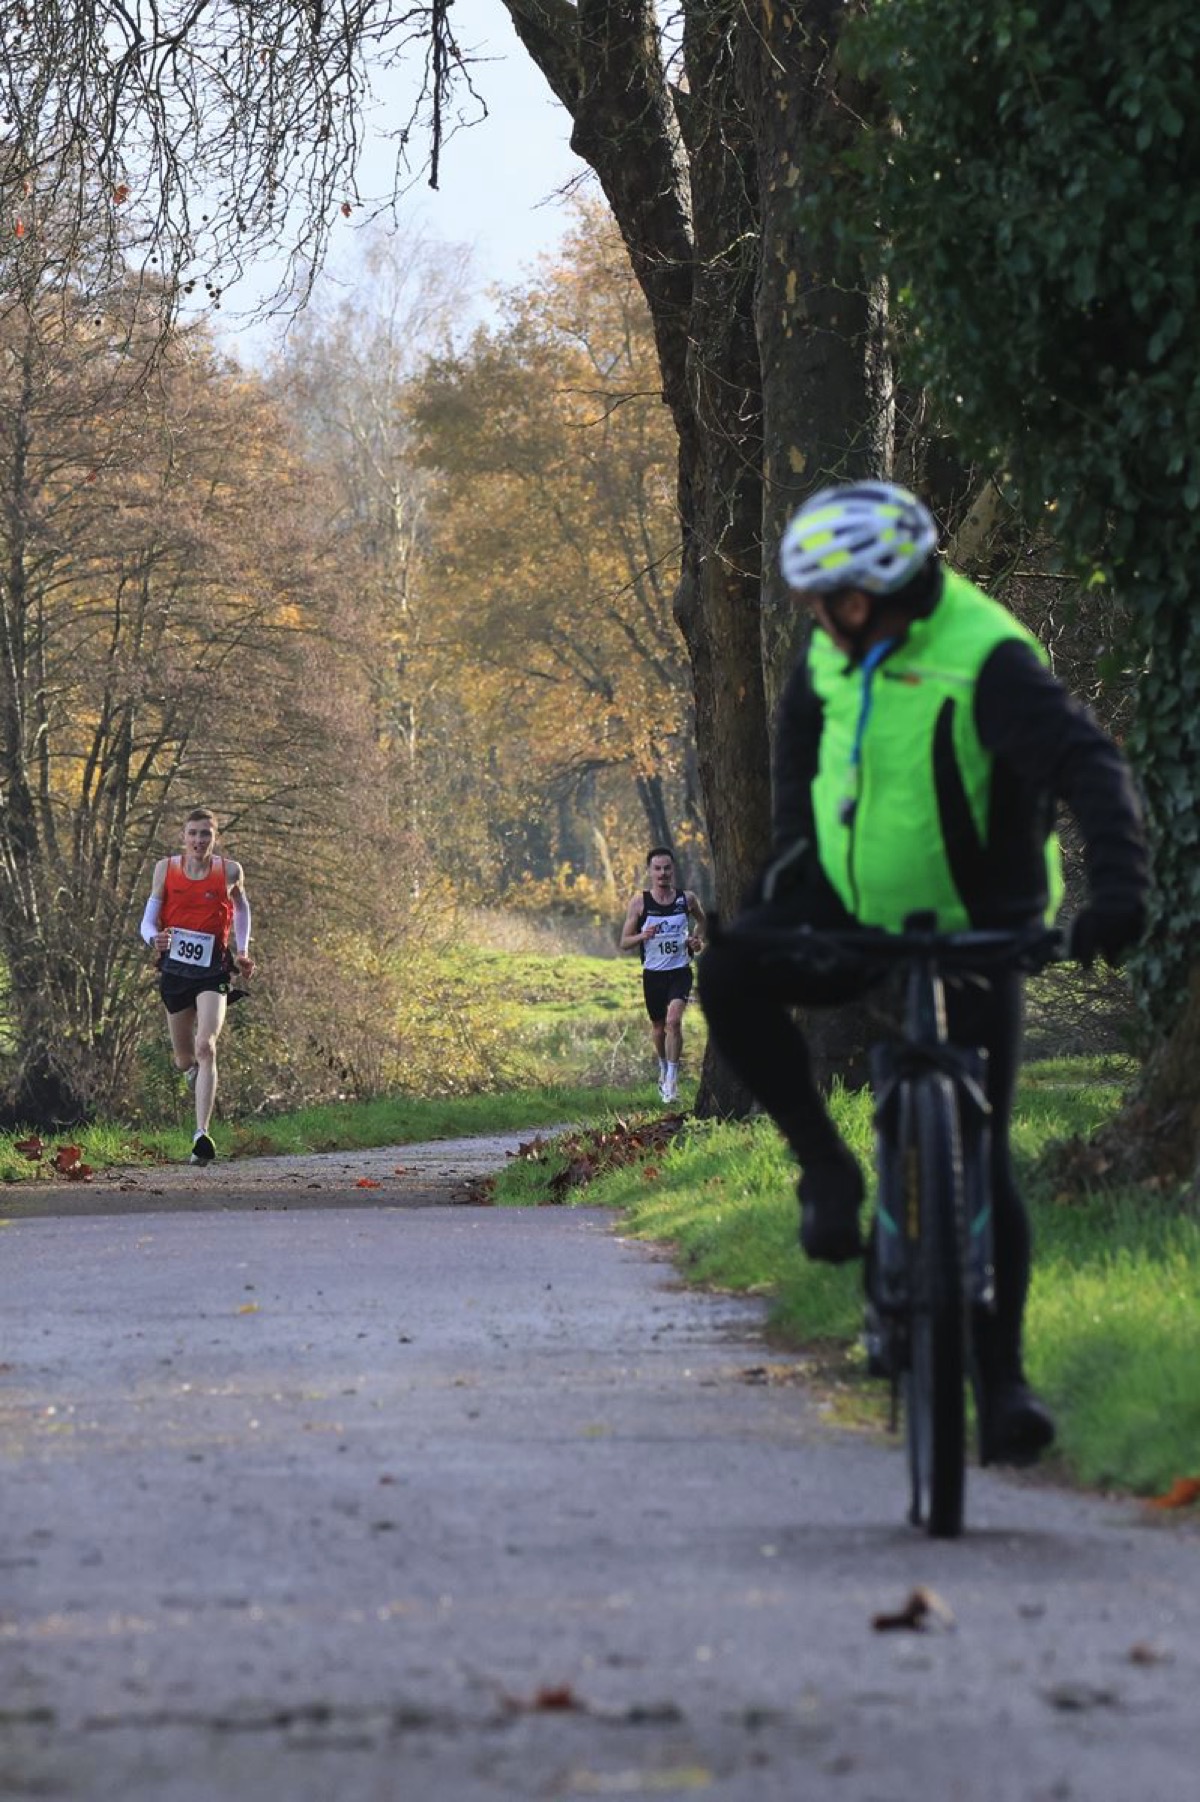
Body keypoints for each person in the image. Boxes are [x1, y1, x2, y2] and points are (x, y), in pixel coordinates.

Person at [698, 481, 1150, 1465]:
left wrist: (1118, 893)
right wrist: (788, 886)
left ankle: (1005, 1382)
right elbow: (800, 780)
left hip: (981, 923)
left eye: (829, 599)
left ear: (876, 593)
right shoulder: (828, 651)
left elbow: (1089, 766)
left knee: (981, 1152)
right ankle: (825, 1164)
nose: (816, 617)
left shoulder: (986, 656)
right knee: (728, 973)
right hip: (850, 906)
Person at [140, 808, 256, 1165]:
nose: (199, 840)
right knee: (184, 1059)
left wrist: (242, 951)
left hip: (213, 971)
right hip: (175, 971)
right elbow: (147, 922)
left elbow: (242, 908)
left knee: (207, 1047)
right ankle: (192, 1071)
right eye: (193, 833)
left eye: (205, 834)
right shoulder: (165, 869)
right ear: (183, 836)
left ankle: (201, 1135)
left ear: (214, 837)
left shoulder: (230, 871)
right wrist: (154, 939)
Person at [620, 848, 707, 1103]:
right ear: (649, 871)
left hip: (680, 971)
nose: (662, 873)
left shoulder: (686, 899)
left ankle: (671, 1081)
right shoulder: (640, 902)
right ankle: (662, 1067)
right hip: (654, 974)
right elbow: (624, 942)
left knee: (673, 1021)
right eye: (657, 868)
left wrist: (697, 940)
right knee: (659, 1028)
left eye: (667, 868)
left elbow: (703, 922)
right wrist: (642, 935)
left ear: (673, 869)